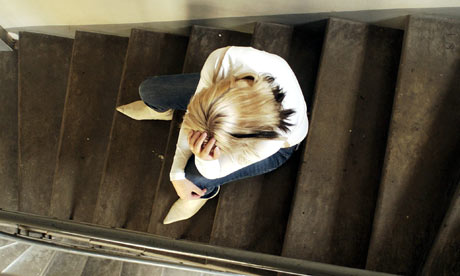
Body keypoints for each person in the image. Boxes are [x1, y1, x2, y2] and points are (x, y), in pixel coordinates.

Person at [116, 46, 309, 224]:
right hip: (236, 102)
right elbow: (194, 114)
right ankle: (161, 112)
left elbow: (216, 169)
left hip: (279, 148)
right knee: (150, 91)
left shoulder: (272, 138)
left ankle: (200, 193)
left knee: (195, 176)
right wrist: (175, 173)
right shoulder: (224, 59)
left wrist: (204, 161)